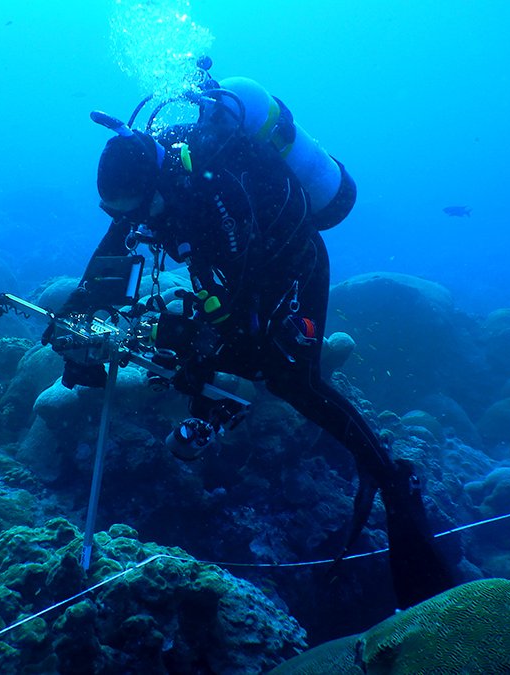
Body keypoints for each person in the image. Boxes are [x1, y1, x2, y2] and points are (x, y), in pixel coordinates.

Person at [60, 74, 455, 609]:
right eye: (116, 212)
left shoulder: (215, 191)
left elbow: (242, 303)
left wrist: (196, 335)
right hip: (233, 271)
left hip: (291, 265)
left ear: (157, 185)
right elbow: (113, 255)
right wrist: (75, 334)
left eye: (132, 210)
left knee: (293, 378)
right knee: (207, 344)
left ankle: (391, 481)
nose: (128, 223)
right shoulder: (156, 185)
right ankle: (221, 407)